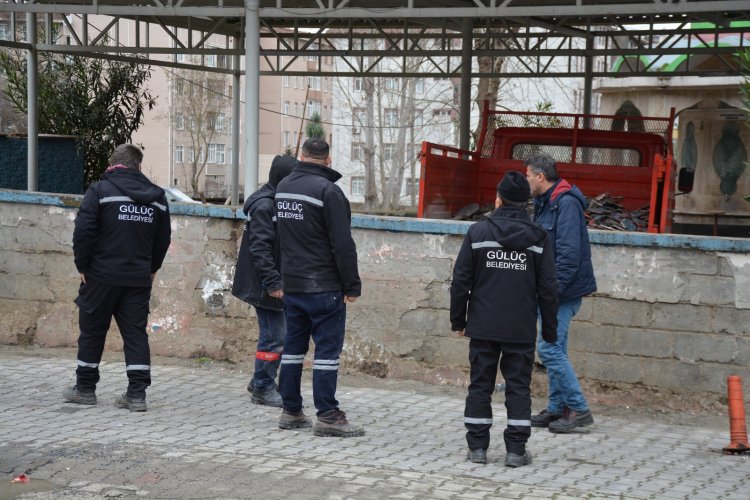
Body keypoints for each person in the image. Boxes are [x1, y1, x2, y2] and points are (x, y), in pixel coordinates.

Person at [451, 170, 559, 467]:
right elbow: (549, 288)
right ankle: (515, 451)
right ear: (526, 203)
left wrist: (458, 321)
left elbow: (461, 280)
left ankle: (477, 449)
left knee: (480, 385)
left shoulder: (478, 233)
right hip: (520, 328)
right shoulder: (539, 237)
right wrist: (550, 331)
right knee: (519, 388)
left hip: (483, 325)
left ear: (498, 200)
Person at [63, 144, 171, 412]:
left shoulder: (100, 191)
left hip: (100, 276)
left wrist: (82, 266)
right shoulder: (157, 198)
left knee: (92, 332)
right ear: (139, 167)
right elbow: (163, 239)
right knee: (135, 334)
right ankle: (136, 395)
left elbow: (83, 231)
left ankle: (85, 389)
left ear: (113, 164)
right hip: (137, 278)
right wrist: (152, 268)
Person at [274, 137, 363, 437]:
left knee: (293, 350)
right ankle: (326, 415)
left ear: (301, 155)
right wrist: (351, 284)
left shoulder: (283, 188)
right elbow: (342, 244)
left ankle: (291, 410)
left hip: (293, 285)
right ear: (328, 159)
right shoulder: (329, 191)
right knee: (326, 353)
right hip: (324, 286)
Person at [525, 154, 597, 433]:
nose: (526, 180)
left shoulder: (565, 204)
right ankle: (557, 408)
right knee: (557, 348)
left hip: (561, 293)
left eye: (528, 175)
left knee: (548, 348)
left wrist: (551, 293)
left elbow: (568, 256)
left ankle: (579, 409)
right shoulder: (546, 203)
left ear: (540, 177)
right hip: (552, 290)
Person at [231, 155, 297, 407]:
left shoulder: (277, 202)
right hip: (264, 285)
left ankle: (260, 378)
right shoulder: (264, 206)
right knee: (274, 336)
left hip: (272, 282)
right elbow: (260, 249)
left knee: (280, 334)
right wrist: (273, 283)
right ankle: (262, 387)